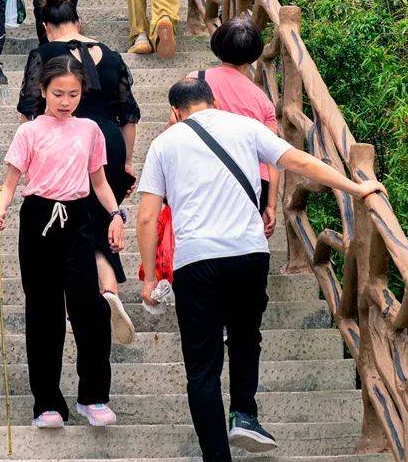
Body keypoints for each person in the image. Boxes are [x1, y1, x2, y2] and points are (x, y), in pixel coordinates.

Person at [137, 77, 386, 460]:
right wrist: (356, 188)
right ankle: (243, 412)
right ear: (214, 101)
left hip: (196, 260)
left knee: (202, 366)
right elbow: (299, 162)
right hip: (249, 253)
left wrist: (152, 278)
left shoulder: (163, 144)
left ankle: (217, 455)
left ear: (175, 112)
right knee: (245, 335)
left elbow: (147, 217)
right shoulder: (245, 126)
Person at [0, 55, 123, 429]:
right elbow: (11, 182)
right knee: (43, 313)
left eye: (73, 94)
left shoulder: (90, 130)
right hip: (38, 220)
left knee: (91, 310)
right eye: (58, 93)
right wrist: (1, 209)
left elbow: (99, 182)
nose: (66, 101)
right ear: (43, 91)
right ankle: (46, 403)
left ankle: (93, 396)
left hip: (78, 217)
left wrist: (117, 215)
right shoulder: (29, 131)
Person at [16, 0, 139, 343]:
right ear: (79, 22)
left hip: (65, 143)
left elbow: (29, 110)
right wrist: (127, 160)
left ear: (46, 28)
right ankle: (108, 290)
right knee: (98, 224)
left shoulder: (43, 55)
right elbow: (129, 114)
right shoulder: (112, 55)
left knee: (69, 230)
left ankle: (79, 304)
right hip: (109, 141)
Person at [187, 16, 280, 238]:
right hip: (252, 182)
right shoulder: (262, 101)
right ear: (254, 52)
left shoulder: (195, 81)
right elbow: (272, 157)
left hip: (204, 177)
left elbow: (175, 130)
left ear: (217, 46)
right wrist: (271, 205)